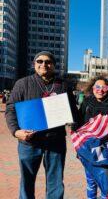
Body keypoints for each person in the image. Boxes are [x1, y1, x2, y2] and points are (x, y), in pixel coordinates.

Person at [5, 51, 68, 199]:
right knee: (26, 181)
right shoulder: (22, 83)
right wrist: (16, 131)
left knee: (56, 183)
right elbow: (10, 109)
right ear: (34, 64)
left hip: (55, 141)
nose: (43, 64)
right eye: (39, 61)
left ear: (53, 65)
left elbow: (73, 110)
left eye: (48, 62)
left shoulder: (63, 85)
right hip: (29, 142)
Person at [78, 76, 108, 199]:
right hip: (88, 151)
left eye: (104, 87)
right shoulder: (86, 102)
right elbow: (78, 123)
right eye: (97, 86)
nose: (100, 90)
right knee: (91, 183)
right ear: (92, 87)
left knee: (105, 184)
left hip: (106, 151)